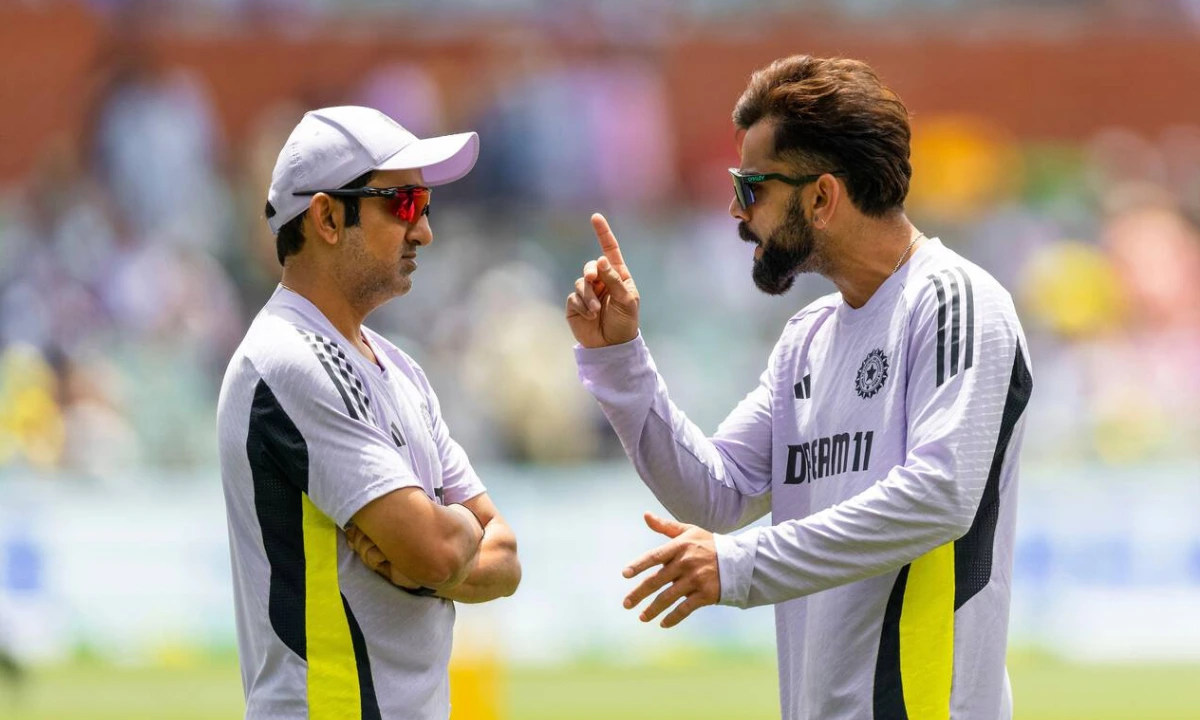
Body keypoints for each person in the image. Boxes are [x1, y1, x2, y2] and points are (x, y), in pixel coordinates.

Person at [566, 56, 1032, 720]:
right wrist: (619, 360)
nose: (736, 209)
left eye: (751, 186)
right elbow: (717, 494)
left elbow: (940, 495)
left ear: (821, 197)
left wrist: (739, 566)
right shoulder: (807, 337)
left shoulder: (953, 301)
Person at [217, 106, 521, 720]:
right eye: (403, 204)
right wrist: (448, 542)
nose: (424, 230)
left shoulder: (398, 368)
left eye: (425, 205)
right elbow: (442, 549)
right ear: (327, 218)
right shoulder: (289, 361)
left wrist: (427, 560)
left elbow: (507, 558)